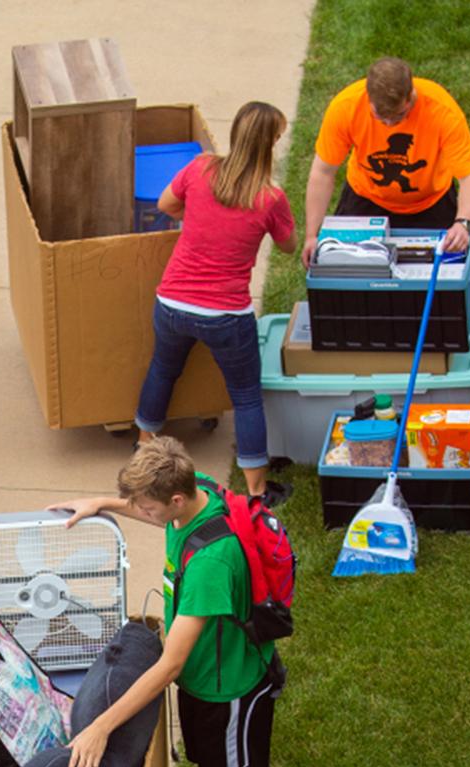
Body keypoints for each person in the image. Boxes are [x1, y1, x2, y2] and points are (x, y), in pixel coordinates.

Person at [49, 437, 280, 767]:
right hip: (203, 678)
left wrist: (100, 727)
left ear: (175, 501)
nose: (142, 512)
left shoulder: (211, 565)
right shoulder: (193, 486)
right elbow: (150, 509)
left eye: (147, 508)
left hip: (226, 693)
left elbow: (170, 665)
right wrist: (102, 504)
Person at [134, 101, 295, 505]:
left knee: (163, 369)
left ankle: (143, 447)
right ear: (270, 144)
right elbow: (289, 246)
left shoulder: (201, 168)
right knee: (245, 396)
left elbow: (165, 205)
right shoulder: (270, 198)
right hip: (226, 316)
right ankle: (257, 489)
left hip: (171, 302)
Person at [301, 56, 470, 266]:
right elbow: (323, 173)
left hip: (431, 201)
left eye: (399, 115)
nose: (389, 124)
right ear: (368, 98)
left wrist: (463, 223)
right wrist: (312, 235)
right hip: (366, 197)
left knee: (442, 275)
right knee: (348, 270)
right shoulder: (346, 107)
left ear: (411, 94)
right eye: (380, 117)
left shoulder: (442, 110)